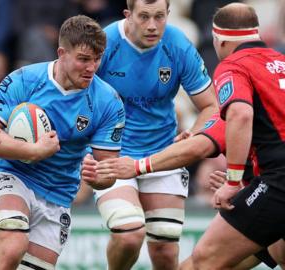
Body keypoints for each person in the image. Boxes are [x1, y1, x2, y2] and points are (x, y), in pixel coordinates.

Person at [0, 15, 125, 270]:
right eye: (84, 59)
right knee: (11, 248)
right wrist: (32, 150)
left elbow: (107, 171)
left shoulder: (109, 102)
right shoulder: (24, 80)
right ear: (62, 53)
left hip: (59, 194)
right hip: (14, 177)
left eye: (97, 59)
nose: (91, 67)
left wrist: (97, 176)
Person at [90, 0, 219, 269]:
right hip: (112, 154)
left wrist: (194, 133)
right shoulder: (104, 42)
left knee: (165, 252)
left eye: (159, 17)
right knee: (129, 235)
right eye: (144, 17)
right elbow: (77, 97)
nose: (152, 25)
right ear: (128, 15)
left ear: (168, 15)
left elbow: (210, 106)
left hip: (162, 156)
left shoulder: (177, 44)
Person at [83, 112, 282, 269]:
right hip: (271, 197)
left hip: (275, 192)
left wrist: (138, 167)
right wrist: (244, 187)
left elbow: (197, 148)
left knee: (201, 262)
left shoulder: (238, 87)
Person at [189, 2, 285, 268]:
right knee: (280, 254)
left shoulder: (234, 65)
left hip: (278, 184)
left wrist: (232, 180)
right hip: (271, 182)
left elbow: (241, 115)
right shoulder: (281, 62)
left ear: (218, 40)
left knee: (204, 260)